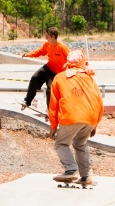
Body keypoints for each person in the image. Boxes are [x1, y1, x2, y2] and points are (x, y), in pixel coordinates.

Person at [48, 49, 104, 186]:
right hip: (90, 118)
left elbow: (53, 105)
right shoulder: (89, 78)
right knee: (80, 144)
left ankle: (71, 169)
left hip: (70, 117)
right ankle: (86, 176)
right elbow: (99, 102)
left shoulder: (60, 78)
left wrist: (53, 127)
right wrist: (95, 123)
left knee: (61, 144)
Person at [21, 27, 69, 111]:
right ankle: (27, 101)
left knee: (50, 90)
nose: (46, 38)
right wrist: (29, 54)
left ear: (53, 37)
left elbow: (71, 58)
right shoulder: (47, 44)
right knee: (35, 78)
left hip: (58, 73)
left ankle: (50, 110)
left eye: (48, 36)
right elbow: (40, 52)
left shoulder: (62, 47)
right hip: (48, 68)